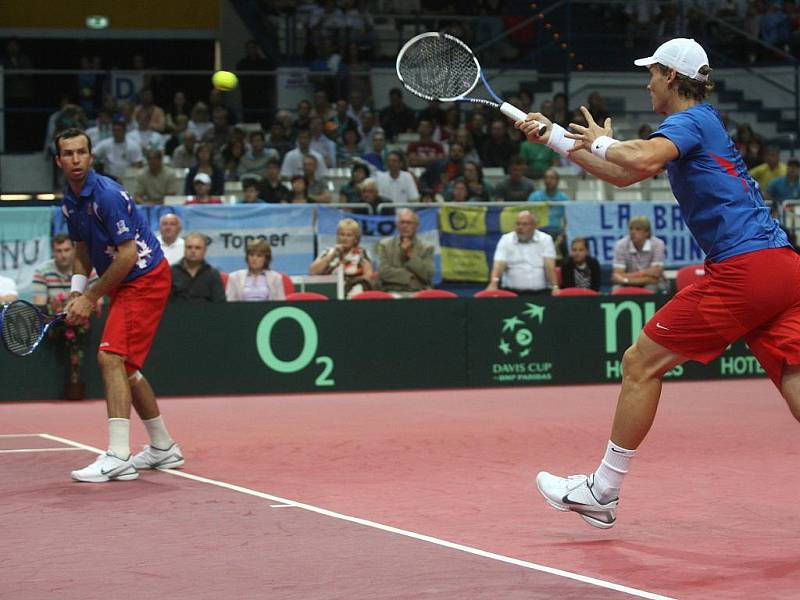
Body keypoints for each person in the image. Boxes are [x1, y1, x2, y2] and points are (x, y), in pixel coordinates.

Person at [518, 37, 800, 528]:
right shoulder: (698, 125)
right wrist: (553, 138)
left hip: (745, 268)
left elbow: (640, 159)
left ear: (672, 76)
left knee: (640, 362)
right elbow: (622, 174)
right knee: (796, 381)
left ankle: (602, 491)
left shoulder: (691, 120)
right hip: (783, 268)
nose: (646, 82)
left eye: (651, 73)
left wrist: (602, 141)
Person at [54, 127, 183, 483]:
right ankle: (162, 447)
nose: (76, 159)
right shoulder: (70, 199)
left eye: (82, 152)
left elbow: (126, 256)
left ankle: (119, 455)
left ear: (91, 157)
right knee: (123, 365)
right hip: (125, 281)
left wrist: (92, 297)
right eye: (69, 154)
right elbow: (81, 249)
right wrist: (77, 293)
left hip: (144, 278)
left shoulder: (107, 195)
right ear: (59, 160)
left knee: (109, 357)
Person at [485, 210, 558, 296]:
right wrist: (494, 283)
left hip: (541, 293)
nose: (520, 227)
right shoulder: (506, 240)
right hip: (511, 293)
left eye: (524, 224)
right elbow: (498, 265)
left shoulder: (545, 239)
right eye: (518, 224)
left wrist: (555, 286)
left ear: (534, 226)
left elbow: (549, 266)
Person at [309, 218, 373, 298]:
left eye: (349, 235)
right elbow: (313, 271)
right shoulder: (328, 252)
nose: (344, 238)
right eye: (342, 234)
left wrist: (350, 283)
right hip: (330, 290)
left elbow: (368, 276)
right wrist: (332, 256)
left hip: (355, 291)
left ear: (356, 239)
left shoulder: (363, 253)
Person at [31, 233, 99, 308]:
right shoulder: (41, 272)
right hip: (53, 318)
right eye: (59, 251)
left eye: (67, 250)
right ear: (53, 252)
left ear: (74, 250)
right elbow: (40, 307)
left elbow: (98, 305)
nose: (63, 255)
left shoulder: (89, 271)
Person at [376, 209, 434, 294]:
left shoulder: (427, 247)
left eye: (409, 223)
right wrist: (411, 277)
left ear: (417, 226)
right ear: (397, 225)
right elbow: (383, 272)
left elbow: (427, 275)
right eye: (402, 222)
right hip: (391, 291)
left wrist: (410, 254)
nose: (405, 226)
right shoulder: (385, 245)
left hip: (418, 292)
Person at [611, 216, 668, 292]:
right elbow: (616, 276)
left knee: (650, 287)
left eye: (638, 229)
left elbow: (655, 276)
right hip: (628, 284)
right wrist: (646, 273)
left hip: (654, 284)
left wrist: (625, 279)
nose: (633, 232)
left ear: (647, 232)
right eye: (631, 229)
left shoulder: (658, 244)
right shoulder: (621, 245)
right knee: (616, 289)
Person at [171, 233, 226, 303]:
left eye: (197, 248)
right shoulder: (171, 272)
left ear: (205, 251)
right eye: (189, 247)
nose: (193, 251)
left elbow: (220, 304)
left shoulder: (213, 274)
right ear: (184, 249)